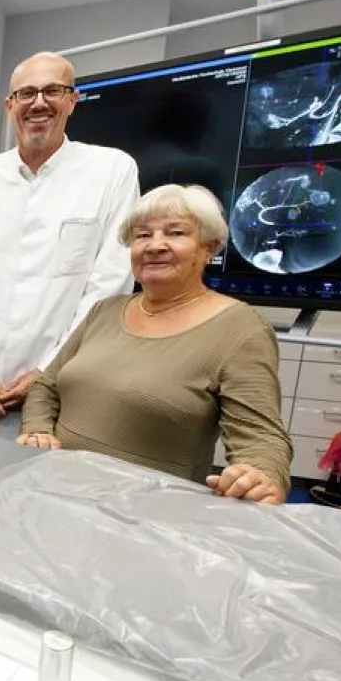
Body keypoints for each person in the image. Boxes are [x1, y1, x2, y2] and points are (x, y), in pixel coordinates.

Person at [17, 183, 292, 504]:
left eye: (176, 233)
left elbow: (260, 436)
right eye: (142, 235)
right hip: (55, 493)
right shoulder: (104, 311)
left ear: (208, 248)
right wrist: (37, 430)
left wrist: (260, 475)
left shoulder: (240, 328)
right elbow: (46, 387)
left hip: (146, 513)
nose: (155, 246)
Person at [0, 51, 140, 439]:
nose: (38, 103)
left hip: (56, 397)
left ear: (73, 100)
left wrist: (48, 373)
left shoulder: (111, 171)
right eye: (26, 93)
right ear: (10, 105)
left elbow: (108, 288)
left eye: (52, 91)